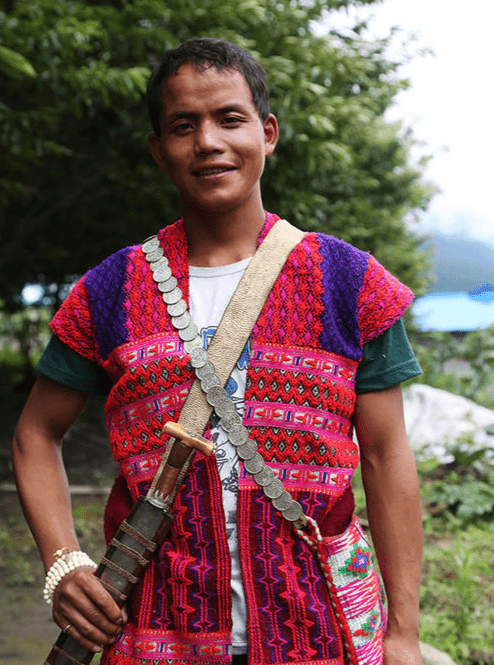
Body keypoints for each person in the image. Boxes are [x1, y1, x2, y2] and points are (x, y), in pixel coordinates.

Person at [12, 38, 423, 665]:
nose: (208, 141)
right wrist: (63, 563)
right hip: (157, 633)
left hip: (326, 629)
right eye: (183, 125)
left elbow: (388, 456)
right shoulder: (109, 292)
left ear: (268, 132)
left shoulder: (348, 281)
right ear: (159, 150)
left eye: (229, 118)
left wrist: (404, 634)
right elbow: (35, 434)